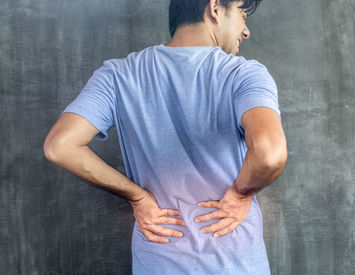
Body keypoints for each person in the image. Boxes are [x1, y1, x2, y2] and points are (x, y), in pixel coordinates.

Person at [43, 0, 287, 274]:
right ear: (216, 8)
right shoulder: (243, 74)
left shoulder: (117, 75)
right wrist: (241, 195)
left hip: (159, 259)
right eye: (243, 14)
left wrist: (137, 197)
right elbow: (270, 154)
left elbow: (60, 146)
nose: (246, 31)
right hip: (235, 261)